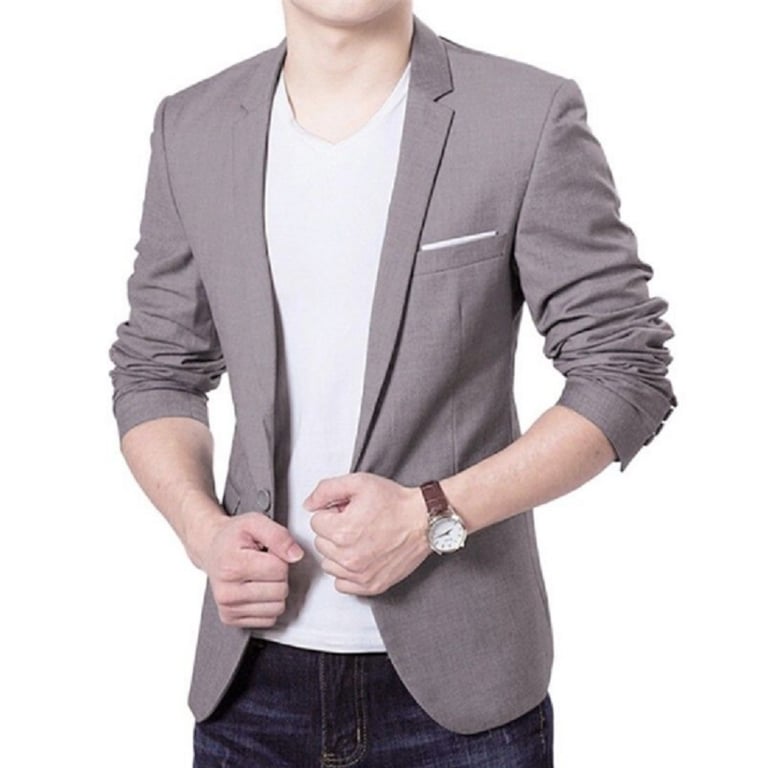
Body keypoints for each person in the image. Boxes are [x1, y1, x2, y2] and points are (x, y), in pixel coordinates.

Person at [108, 2, 677, 766]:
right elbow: (157, 368)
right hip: (249, 689)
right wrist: (204, 532)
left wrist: (432, 513)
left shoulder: (524, 114)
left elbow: (623, 368)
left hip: (465, 697)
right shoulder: (193, 126)